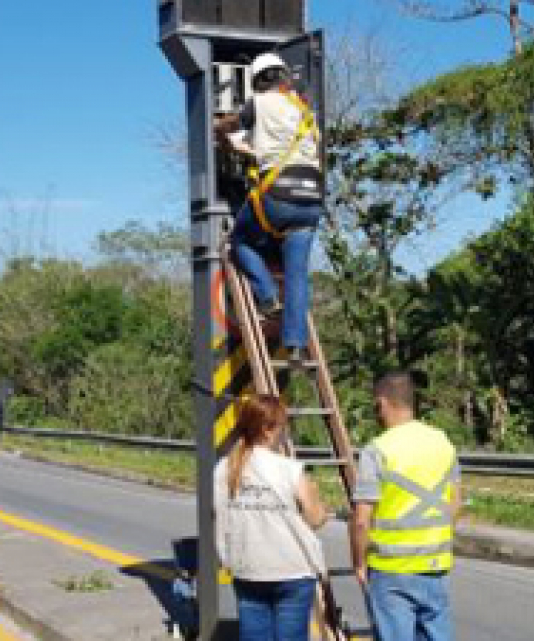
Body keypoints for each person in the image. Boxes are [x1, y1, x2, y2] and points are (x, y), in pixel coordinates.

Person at [216, 52, 324, 363]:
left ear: (258, 81)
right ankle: (294, 344)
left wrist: (218, 128)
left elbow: (234, 124)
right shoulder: (303, 110)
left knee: (240, 241)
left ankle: (266, 296)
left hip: (276, 197)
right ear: (283, 76)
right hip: (311, 201)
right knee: (297, 273)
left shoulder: (259, 103)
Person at [349, 371, 462, 641]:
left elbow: (361, 520)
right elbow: (455, 503)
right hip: (435, 567)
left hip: (391, 570)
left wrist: (358, 563)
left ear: (382, 402)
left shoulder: (377, 450)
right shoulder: (442, 442)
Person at [214, 394, 330, 641]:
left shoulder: (224, 469)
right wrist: (318, 499)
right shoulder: (289, 469)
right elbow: (316, 518)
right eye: (282, 426)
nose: (284, 433)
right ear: (268, 430)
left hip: (248, 569)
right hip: (291, 571)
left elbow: (221, 517)